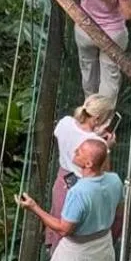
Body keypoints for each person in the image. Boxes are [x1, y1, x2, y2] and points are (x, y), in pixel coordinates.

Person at [46, 93, 116, 250]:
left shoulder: (65, 122)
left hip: (62, 178)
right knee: (72, 226)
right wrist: (107, 148)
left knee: (58, 215)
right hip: (80, 187)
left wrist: (92, 135)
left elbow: (73, 136)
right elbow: (103, 172)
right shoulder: (98, 144)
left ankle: (51, 246)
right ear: (97, 119)